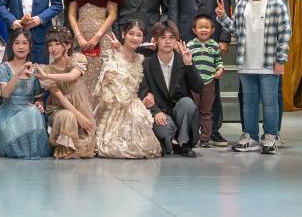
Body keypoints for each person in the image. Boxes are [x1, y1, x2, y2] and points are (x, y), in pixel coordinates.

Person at [216, 0, 291, 155]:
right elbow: (236, 30)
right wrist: (223, 17)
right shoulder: (242, 4)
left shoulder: (276, 4)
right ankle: (250, 136)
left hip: (269, 63)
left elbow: (285, 33)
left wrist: (281, 59)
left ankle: (271, 137)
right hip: (246, 62)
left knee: (270, 102)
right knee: (249, 103)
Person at [172, 0, 233, 141]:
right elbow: (173, 9)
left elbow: (226, 7)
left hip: (212, 39)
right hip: (186, 40)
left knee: (212, 86)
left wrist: (224, 37)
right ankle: (189, 130)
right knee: (187, 85)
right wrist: (175, 38)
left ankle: (214, 130)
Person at [94, 19, 161, 158]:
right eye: (131, 34)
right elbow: (106, 85)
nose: (135, 38)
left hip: (134, 103)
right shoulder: (112, 55)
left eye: (139, 35)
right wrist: (124, 100)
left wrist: (149, 94)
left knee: (139, 122)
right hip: (114, 105)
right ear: (123, 34)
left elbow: (147, 83)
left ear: (143, 38)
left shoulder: (141, 59)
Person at [65, 0, 125, 94]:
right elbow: (71, 14)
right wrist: (79, 37)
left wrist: (97, 36)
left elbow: (112, 14)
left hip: (102, 36)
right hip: (81, 36)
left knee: (103, 76)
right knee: (82, 75)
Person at [139, 21, 203, 156]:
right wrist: (155, 111)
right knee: (165, 130)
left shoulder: (183, 59)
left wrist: (189, 64)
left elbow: (198, 87)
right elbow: (143, 91)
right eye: (163, 37)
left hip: (180, 109)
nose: (167, 41)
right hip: (161, 110)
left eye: (171, 37)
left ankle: (184, 144)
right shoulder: (147, 63)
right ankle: (168, 145)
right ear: (155, 40)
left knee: (187, 103)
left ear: (176, 40)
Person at [0, 29, 50, 159]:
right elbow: (5, 94)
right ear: (11, 45)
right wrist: (17, 73)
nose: (21, 47)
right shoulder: (3, 68)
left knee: (34, 111)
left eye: (24, 43)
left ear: (30, 45)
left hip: (28, 113)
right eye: (17, 43)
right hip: (7, 115)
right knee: (30, 114)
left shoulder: (35, 69)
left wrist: (39, 105)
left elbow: (38, 99)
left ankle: (30, 151)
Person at [38, 28, 96, 159]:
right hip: (60, 108)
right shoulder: (46, 69)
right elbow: (59, 96)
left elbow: (72, 76)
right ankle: (64, 149)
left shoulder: (77, 58)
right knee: (67, 116)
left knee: (85, 148)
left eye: (57, 44)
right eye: (50, 45)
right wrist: (78, 116)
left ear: (68, 45)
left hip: (81, 105)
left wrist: (47, 76)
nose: (53, 49)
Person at [186, 15, 223, 148]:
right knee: (193, 110)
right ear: (194, 30)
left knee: (206, 111)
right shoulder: (190, 45)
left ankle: (205, 138)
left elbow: (218, 61)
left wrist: (220, 69)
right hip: (193, 84)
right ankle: (193, 136)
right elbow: (186, 63)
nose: (203, 30)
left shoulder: (214, 45)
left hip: (209, 83)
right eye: (200, 27)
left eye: (206, 27)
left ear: (212, 30)